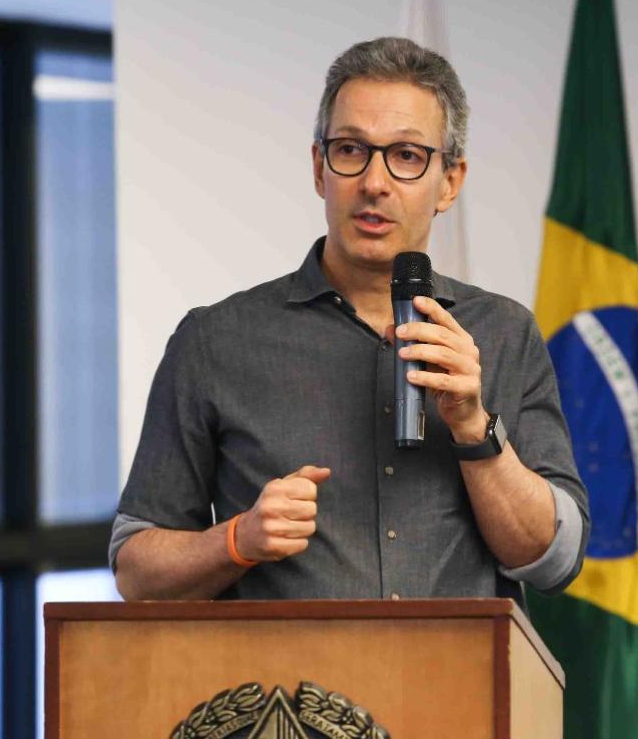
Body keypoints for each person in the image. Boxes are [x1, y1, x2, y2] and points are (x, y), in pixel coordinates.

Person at [111, 37, 589, 603]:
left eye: (406, 156)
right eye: (350, 149)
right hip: (290, 667)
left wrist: (472, 426)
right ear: (320, 169)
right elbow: (136, 574)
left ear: (450, 181)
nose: (374, 183)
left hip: (463, 664)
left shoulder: (505, 333)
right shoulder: (215, 341)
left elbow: (556, 559)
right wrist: (237, 541)